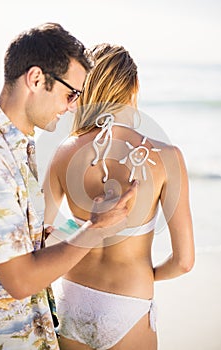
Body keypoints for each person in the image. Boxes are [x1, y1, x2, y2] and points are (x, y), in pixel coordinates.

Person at [0, 25, 138, 350]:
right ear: (36, 79)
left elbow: (17, 251)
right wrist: (95, 230)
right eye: (71, 94)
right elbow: (21, 280)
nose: (74, 107)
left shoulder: (20, 147)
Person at [43, 43, 195, 350]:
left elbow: (40, 238)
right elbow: (184, 262)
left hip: (71, 297)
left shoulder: (64, 153)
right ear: (133, 87)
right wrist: (146, 275)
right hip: (128, 302)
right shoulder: (166, 157)